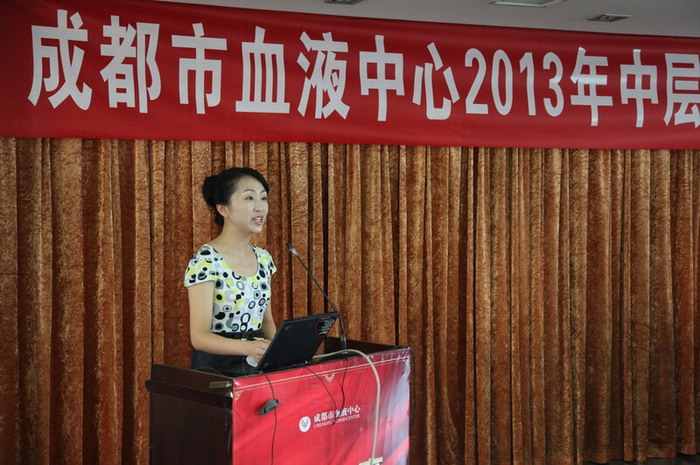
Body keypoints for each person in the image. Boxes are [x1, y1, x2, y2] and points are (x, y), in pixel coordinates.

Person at [183, 167, 277, 374]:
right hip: (216, 370)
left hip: (256, 366)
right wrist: (248, 347)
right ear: (223, 209)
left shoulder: (264, 258)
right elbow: (199, 337)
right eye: (249, 198)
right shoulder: (206, 262)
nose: (260, 207)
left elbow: (266, 320)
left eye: (263, 198)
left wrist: (277, 356)